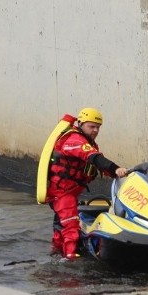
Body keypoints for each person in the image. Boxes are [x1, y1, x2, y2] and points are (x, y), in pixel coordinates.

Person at [46, 107, 128, 260]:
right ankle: (71, 259)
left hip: (69, 192)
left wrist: (115, 173)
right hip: (62, 192)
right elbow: (94, 158)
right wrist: (115, 169)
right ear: (81, 123)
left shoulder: (88, 142)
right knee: (71, 225)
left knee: (60, 225)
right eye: (92, 126)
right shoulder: (74, 140)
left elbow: (97, 163)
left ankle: (56, 253)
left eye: (98, 127)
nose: (95, 130)